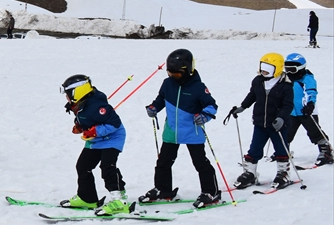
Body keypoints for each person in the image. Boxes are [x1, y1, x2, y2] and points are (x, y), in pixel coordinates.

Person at [140, 49, 221, 208]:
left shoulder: (198, 87)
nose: (172, 77)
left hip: (192, 131)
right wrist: (153, 107)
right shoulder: (167, 83)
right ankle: (163, 190)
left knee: (200, 163)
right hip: (172, 130)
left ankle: (211, 192)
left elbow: (212, 105)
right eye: (170, 73)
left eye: (176, 74)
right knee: (163, 162)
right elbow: (161, 99)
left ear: (187, 70)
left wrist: (205, 115)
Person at [59, 75, 128, 214]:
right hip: (96, 140)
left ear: (77, 92)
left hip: (112, 138)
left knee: (107, 166)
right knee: (83, 166)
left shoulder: (98, 106)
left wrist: (95, 131)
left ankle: (119, 201)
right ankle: (87, 198)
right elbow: (86, 118)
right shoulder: (79, 103)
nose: (66, 97)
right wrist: (80, 126)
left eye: (67, 94)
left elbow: (114, 124)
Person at [225, 53, 293, 189]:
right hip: (260, 123)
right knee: (254, 149)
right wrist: (242, 107)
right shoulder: (258, 81)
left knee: (281, 149)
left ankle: (283, 173)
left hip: (278, 125)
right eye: (262, 66)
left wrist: (281, 118)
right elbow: (252, 95)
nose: (264, 70)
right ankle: (250, 173)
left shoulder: (285, 86)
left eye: (268, 67)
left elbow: (288, 105)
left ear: (278, 68)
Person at [282, 53, 332, 166]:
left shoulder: (307, 79)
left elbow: (311, 92)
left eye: (292, 70)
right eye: (287, 69)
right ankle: (283, 152)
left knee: (314, 131)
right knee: (287, 132)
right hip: (291, 112)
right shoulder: (286, 79)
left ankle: (326, 152)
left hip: (307, 111)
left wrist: (310, 104)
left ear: (300, 68)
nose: (289, 72)